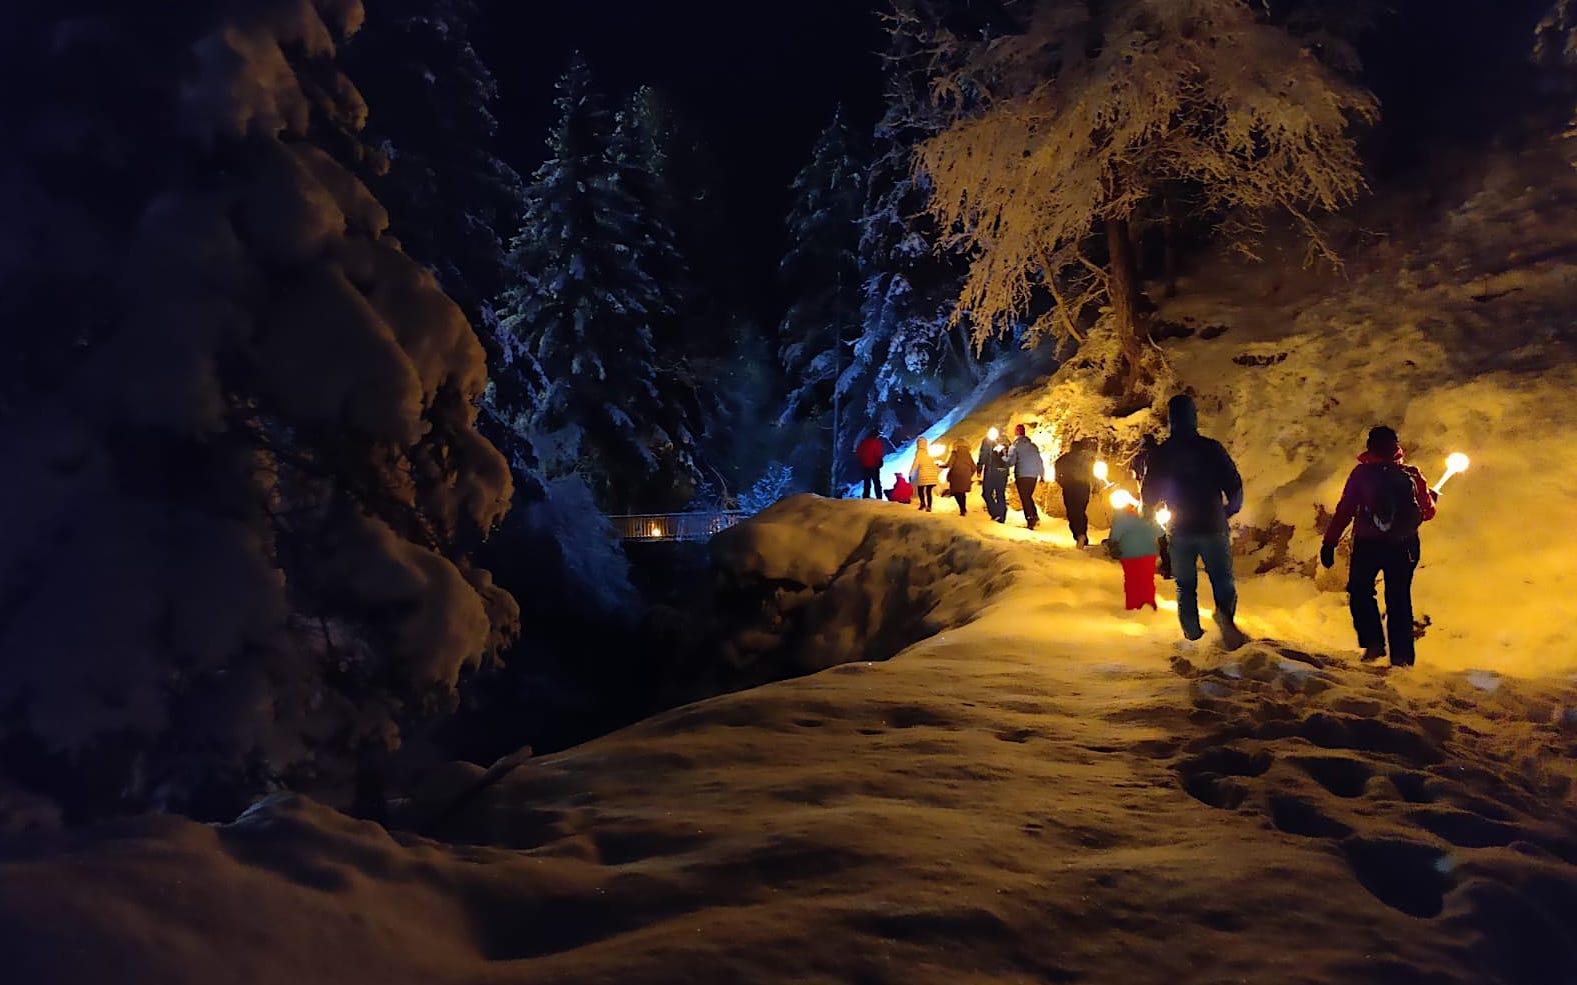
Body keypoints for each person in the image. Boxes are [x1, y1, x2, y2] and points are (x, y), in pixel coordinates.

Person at [1320, 426, 1438, 668]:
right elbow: (1427, 514)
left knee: (1361, 591)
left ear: (1370, 447)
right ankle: (1402, 659)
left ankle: (1373, 644)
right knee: (1399, 599)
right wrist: (1432, 498)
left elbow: (1346, 510)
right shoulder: (1412, 474)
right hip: (1404, 546)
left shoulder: (1361, 475)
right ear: (1396, 447)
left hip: (1368, 544)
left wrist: (1329, 542)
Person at [1141, 394, 1246, 648]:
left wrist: (1148, 516)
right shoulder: (1211, 448)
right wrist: (1229, 509)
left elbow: (1149, 492)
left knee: (1185, 585)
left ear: (1171, 420)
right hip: (1212, 523)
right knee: (1222, 579)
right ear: (1194, 417)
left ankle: (1192, 635)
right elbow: (1233, 481)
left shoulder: (1162, 454)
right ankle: (1225, 618)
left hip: (1180, 528)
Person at [1110, 499, 1166, 610]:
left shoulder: (1123, 520)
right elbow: (1161, 532)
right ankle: (1148, 603)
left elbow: (1115, 535)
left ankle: (1132, 604)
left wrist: (1114, 545)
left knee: (1131, 580)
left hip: (1128, 554)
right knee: (1147, 580)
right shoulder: (1150, 521)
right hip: (1148, 554)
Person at [1130, 434, 1172, 579]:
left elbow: (1137, 478)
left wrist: (1142, 499)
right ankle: (1167, 564)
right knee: (1162, 531)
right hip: (1163, 498)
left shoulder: (1139, 457)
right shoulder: (1164, 456)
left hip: (1148, 497)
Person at [1055, 437, 1098, 547]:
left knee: (1072, 512)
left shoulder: (1064, 459)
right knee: (1080, 511)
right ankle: (1082, 534)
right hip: (1084, 488)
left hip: (1070, 487)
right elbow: (1093, 474)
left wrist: (1062, 482)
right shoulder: (1087, 460)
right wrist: (1095, 487)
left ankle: (1079, 535)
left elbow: (1057, 472)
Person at [1005, 424, 1045, 530]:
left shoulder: (1015, 446)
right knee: (1028, 496)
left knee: (1025, 497)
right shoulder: (1033, 446)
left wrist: (1003, 457)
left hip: (1022, 475)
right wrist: (1042, 475)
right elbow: (1039, 461)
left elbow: (1011, 462)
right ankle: (1034, 516)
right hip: (1033, 476)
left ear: (1016, 433)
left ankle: (1030, 519)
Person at [976, 427, 1011, 523]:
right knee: (1000, 494)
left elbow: (983, 455)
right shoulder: (1007, 441)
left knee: (986, 493)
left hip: (991, 472)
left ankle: (995, 513)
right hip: (1003, 472)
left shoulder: (987, 441)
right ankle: (1001, 516)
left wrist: (979, 467)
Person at [909, 436, 941, 513]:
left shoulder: (919, 453)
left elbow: (915, 464)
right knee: (928, 491)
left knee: (920, 489)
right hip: (931, 475)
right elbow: (933, 464)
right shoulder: (927, 453)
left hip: (923, 474)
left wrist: (910, 473)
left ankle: (923, 503)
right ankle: (929, 506)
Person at [945, 440, 975, 515]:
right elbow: (974, 467)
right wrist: (969, 475)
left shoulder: (954, 453)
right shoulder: (968, 455)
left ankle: (962, 509)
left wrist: (941, 466)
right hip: (966, 475)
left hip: (956, 475)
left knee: (956, 492)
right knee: (962, 492)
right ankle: (963, 508)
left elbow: (949, 464)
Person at [856, 431, 886, 500]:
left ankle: (865, 497)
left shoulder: (863, 442)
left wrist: (863, 460)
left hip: (865, 466)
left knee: (867, 483)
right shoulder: (876, 442)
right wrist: (879, 462)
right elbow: (878, 454)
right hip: (874, 466)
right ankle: (879, 498)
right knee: (877, 483)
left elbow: (858, 452)